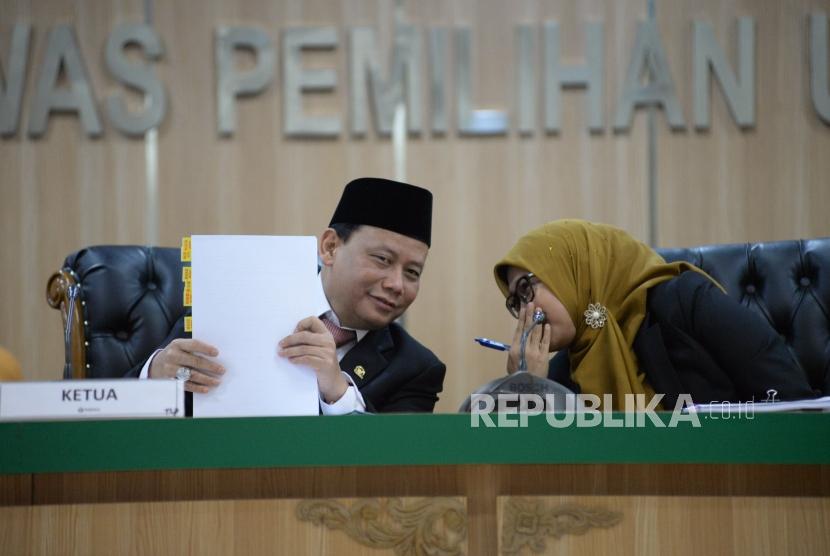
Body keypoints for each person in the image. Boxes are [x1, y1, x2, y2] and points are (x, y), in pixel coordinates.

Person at [134, 177, 446, 414]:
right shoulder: (235, 302)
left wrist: (337, 391)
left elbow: (396, 467)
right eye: (383, 259)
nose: (396, 284)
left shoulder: (416, 368)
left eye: (412, 273)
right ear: (330, 247)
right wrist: (157, 375)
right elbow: (109, 414)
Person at [494, 219, 818, 410]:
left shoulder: (684, 303)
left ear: (575, 272)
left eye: (527, 289)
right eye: (515, 302)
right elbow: (539, 475)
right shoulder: (567, 368)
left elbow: (792, 401)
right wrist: (527, 389)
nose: (525, 310)